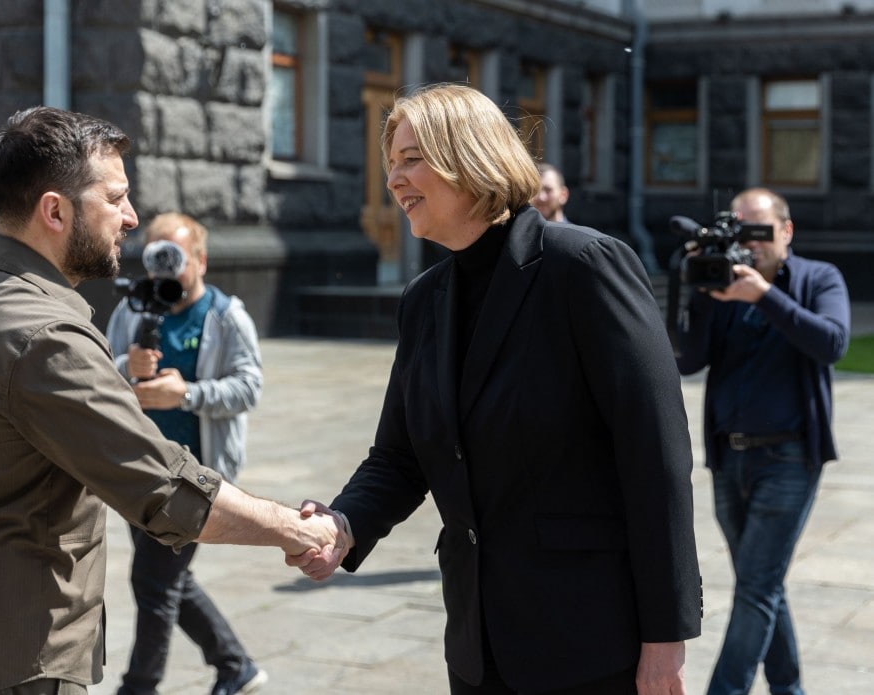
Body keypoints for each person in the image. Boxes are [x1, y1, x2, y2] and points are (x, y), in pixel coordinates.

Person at [0, 106, 342, 695]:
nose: (131, 218)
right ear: (55, 211)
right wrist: (298, 529)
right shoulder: (45, 334)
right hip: (15, 663)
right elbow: (165, 489)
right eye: (116, 198)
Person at [289, 83, 703, 694]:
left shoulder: (583, 267)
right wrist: (345, 524)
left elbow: (656, 456)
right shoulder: (424, 300)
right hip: (477, 647)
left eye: (411, 159)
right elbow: (400, 457)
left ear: (471, 158)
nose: (394, 180)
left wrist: (666, 637)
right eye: (390, 164)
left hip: (590, 642)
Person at [674, 188, 850, 695]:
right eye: (741, 230)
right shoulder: (724, 283)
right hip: (729, 456)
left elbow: (832, 342)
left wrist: (764, 297)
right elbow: (689, 360)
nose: (750, 242)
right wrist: (701, 290)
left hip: (789, 457)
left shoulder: (819, 278)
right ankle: (788, 688)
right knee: (763, 583)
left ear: (786, 230)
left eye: (759, 229)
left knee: (755, 587)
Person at [105, 213, 267, 695]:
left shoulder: (225, 316)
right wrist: (127, 366)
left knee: (154, 582)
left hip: (197, 476)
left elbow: (249, 387)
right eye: (156, 257)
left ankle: (140, 686)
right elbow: (98, 373)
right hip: (139, 470)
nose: (166, 269)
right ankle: (235, 666)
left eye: (175, 257)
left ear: (201, 260)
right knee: (167, 578)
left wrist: (188, 394)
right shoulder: (132, 311)